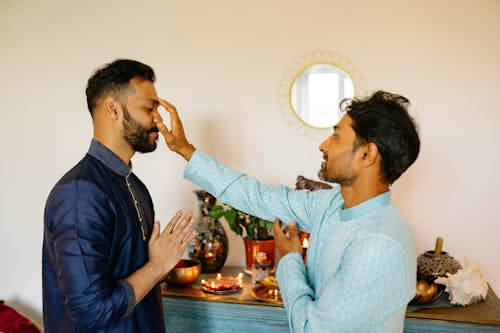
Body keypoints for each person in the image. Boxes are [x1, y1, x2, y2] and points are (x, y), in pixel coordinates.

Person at [155, 91, 420, 332]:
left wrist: (291, 259)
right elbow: (258, 196)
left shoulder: (379, 245)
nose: (324, 144)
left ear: (367, 154)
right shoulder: (331, 204)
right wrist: (185, 150)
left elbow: (310, 328)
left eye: (337, 135)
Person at [42, 59, 197, 332]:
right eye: (149, 108)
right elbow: (90, 313)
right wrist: (157, 266)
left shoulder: (133, 184)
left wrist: (158, 263)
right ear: (113, 108)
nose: (158, 120)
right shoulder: (80, 194)